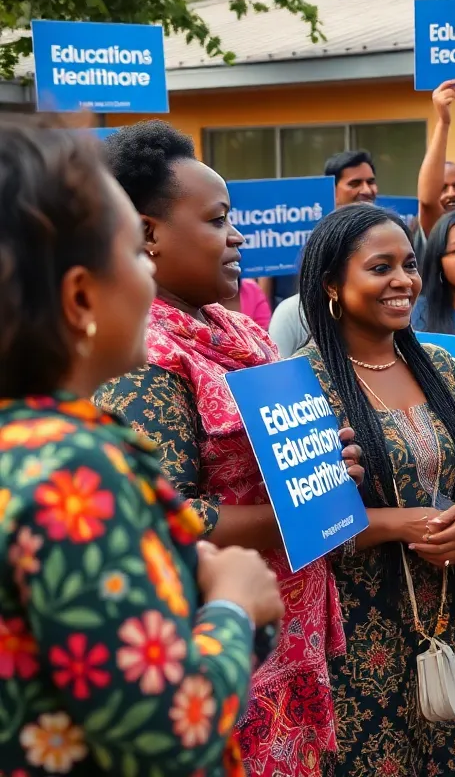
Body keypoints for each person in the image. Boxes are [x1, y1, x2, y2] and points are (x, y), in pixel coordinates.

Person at [0, 120, 283, 774]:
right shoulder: (74, 474)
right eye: (134, 253)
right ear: (80, 297)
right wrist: (235, 607)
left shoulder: (32, 446)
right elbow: (168, 731)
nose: (150, 281)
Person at [95, 121, 363, 777]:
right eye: (217, 220)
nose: (238, 235)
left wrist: (326, 464)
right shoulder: (145, 356)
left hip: (288, 634)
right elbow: (165, 518)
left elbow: (272, 463)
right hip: (223, 651)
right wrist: (304, 511)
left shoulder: (242, 331)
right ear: (148, 233)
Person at [296, 202, 455, 775]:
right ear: (332, 285)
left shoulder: (438, 364)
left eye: (409, 265)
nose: (402, 281)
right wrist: (400, 524)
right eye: (380, 267)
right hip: (355, 636)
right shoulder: (301, 383)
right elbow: (305, 524)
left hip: (446, 620)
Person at [268, 150, 380, 356]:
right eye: (355, 183)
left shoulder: (387, 308)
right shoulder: (293, 314)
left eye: (371, 182)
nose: (366, 190)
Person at [417, 79, 455, 237]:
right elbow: (428, 202)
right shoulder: (438, 231)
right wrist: (444, 122)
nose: (451, 193)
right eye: (443, 188)